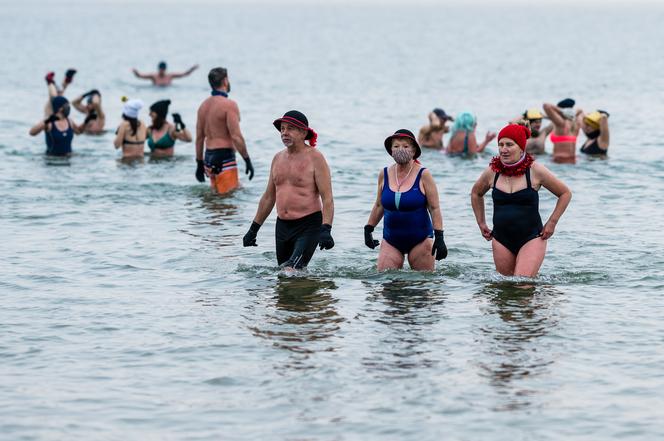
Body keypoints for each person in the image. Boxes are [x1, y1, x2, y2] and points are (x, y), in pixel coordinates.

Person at [470, 123, 572, 277]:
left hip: (532, 237)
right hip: (501, 239)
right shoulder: (492, 172)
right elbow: (476, 193)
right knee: (506, 290)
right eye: (500, 145)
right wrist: (481, 222)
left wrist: (552, 222)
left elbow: (565, 193)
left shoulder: (535, 170)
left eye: (509, 145)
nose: (503, 149)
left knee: (522, 283)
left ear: (521, 147)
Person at [242, 110, 334, 270]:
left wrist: (326, 228)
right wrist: (253, 229)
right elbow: (268, 198)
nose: (284, 132)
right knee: (284, 277)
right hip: (282, 227)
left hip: (308, 225)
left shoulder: (315, 158)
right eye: (282, 129)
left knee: (290, 271)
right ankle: (310, 293)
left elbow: (327, 198)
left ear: (303, 132)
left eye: (290, 128)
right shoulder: (277, 158)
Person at [364, 129, 447, 271]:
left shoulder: (423, 174)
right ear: (391, 150)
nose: (400, 149)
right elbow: (379, 205)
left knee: (422, 286)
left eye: (405, 146)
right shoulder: (384, 174)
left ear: (414, 150)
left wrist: (439, 237)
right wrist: (368, 229)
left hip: (420, 240)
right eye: (396, 146)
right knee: (386, 284)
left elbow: (434, 208)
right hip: (391, 240)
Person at [195, 67, 253, 194]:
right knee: (228, 203)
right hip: (224, 157)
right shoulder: (229, 105)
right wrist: (247, 160)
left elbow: (199, 138)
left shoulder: (203, 106)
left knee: (217, 200)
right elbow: (236, 136)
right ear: (225, 81)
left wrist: (199, 163)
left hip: (208, 157)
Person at [543, 98, 579, 163]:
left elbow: (546, 105)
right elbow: (580, 110)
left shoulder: (561, 123)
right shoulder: (576, 122)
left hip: (559, 161)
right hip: (573, 160)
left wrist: (561, 111)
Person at [132, 61, 199, 87]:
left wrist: (192, 69)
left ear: (165, 69)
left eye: (163, 69)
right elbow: (140, 76)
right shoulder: (153, 76)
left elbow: (184, 74)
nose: (162, 71)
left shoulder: (170, 76)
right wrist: (136, 72)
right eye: (161, 69)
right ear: (159, 69)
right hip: (156, 89)